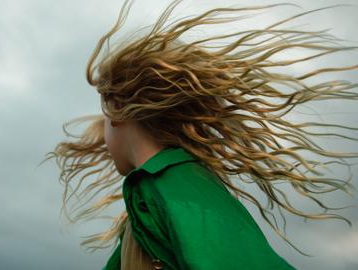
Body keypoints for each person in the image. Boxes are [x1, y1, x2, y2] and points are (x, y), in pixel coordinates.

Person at [41, 0, 358, 269]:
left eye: (104, 117)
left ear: (119, 108)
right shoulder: (152, 197)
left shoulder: (172, 184)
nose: (104, 139)